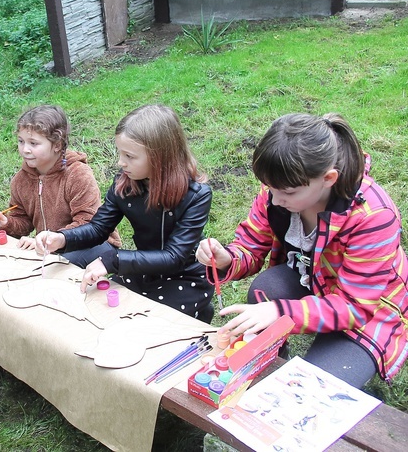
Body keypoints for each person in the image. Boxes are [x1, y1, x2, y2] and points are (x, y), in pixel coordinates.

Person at [195, 113, 408, 388]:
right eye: (270, 188)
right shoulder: (282, 187)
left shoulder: (373, 216)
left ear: (328, 178)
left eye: (287, 193)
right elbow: (251, 244)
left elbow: (355, 307)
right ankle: (272, 359)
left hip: (366, 313)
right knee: (266, 289)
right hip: (314, 281)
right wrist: (228, 258)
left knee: (315, 387)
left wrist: (280, 312)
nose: (274, 199)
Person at [36, 104, 214, 322]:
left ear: (160, 157)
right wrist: (62, 238)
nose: (121, 162)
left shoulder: (196, 195)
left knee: (150, 324)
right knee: (103, 311)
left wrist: (114, 260)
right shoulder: (125, 183)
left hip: (186, 278)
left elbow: (174, 257)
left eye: (129, 156)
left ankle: (201, 313)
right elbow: (99, 228)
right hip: (142, 270)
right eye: (120, 153)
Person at [0, 104, 121, 268]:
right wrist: (6, 223)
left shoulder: (77, 174)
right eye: (21, 141)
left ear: (57, 144)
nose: (25, 149)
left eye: (33, 143)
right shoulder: (20, 180)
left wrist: (54, 239)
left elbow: (88, 222)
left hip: (96, 244)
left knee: (51, 268)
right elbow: (23, 221)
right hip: (51, 247)